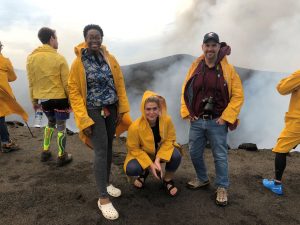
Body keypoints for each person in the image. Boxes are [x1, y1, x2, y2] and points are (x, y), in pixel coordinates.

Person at [68, 24, 131, 220]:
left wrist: (121, 109)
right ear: (85, 38)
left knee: (109, 147)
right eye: (90, 37)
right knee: (101, 150)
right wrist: (83, 119)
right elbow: (74, 91)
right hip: (93, 111)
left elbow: (119, 82)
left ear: (102, 38)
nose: (94, 40)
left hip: (111, 109)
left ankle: (105, 182)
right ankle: (102, 197)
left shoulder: (110, 58)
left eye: (98, 36)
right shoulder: (78, 62)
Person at [181, 32, 244, 206]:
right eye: (207, 45)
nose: (210, 49)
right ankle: (202, 179)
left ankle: (222, 187)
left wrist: (226, 118)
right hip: (197, 120)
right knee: (194, 152)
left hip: (217, 121)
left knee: (220, 155)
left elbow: (238, 96)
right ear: (202, 47)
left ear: (218, 47)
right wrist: (188, 112)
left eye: (213, 45)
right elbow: (185, 89)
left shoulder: (227, 69)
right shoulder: (196, 66)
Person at [26, 27, 72, 166]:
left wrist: (34, 100)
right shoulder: (59, 58)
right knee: (61, 126)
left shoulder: (31, 58)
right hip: (59, 99)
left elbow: (31, 82)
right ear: (51, 38)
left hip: (44, 99)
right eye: (56, 38)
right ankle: (62, 155)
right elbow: (67, 84)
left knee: (50, 123)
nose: (57, 41)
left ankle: (45, 152)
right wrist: (71, 100)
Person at [124, 91, 182, 196]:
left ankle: (167, 180)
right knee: (132, 168)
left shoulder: (167, 120)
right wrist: (150, 165)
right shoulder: (135, 127)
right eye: (148, 109)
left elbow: (170, 139)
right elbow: (134, 149)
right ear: (143, 109)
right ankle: (143, 173)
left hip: (160, 152)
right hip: (144, 155)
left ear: (159, 109)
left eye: (155, 108)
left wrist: (158, 159)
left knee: (176, 155)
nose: (151, 112)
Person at [262, 70, 300, 195]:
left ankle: (276, 185)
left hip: (297, 122)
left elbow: (281, 89)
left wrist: (292, 79)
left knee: (281, 149)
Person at [0, 41, 28, 152]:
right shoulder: (5, 61)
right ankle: (6, 143)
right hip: (2, 93)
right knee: (0, 116)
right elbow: (13, 77)